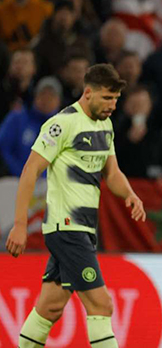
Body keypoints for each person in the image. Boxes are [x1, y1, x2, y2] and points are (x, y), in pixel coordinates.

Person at [4, 64, 146, 348]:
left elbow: (112, 173)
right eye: (107, 98)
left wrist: (129, 194)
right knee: (102, 305)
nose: (112, 105)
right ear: (88, 92)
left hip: (84, 229)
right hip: (67, 227)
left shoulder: (105, 125)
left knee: (50, 307)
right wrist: (20, 224)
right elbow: (30, 171)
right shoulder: (62, 124)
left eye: (116, 99)